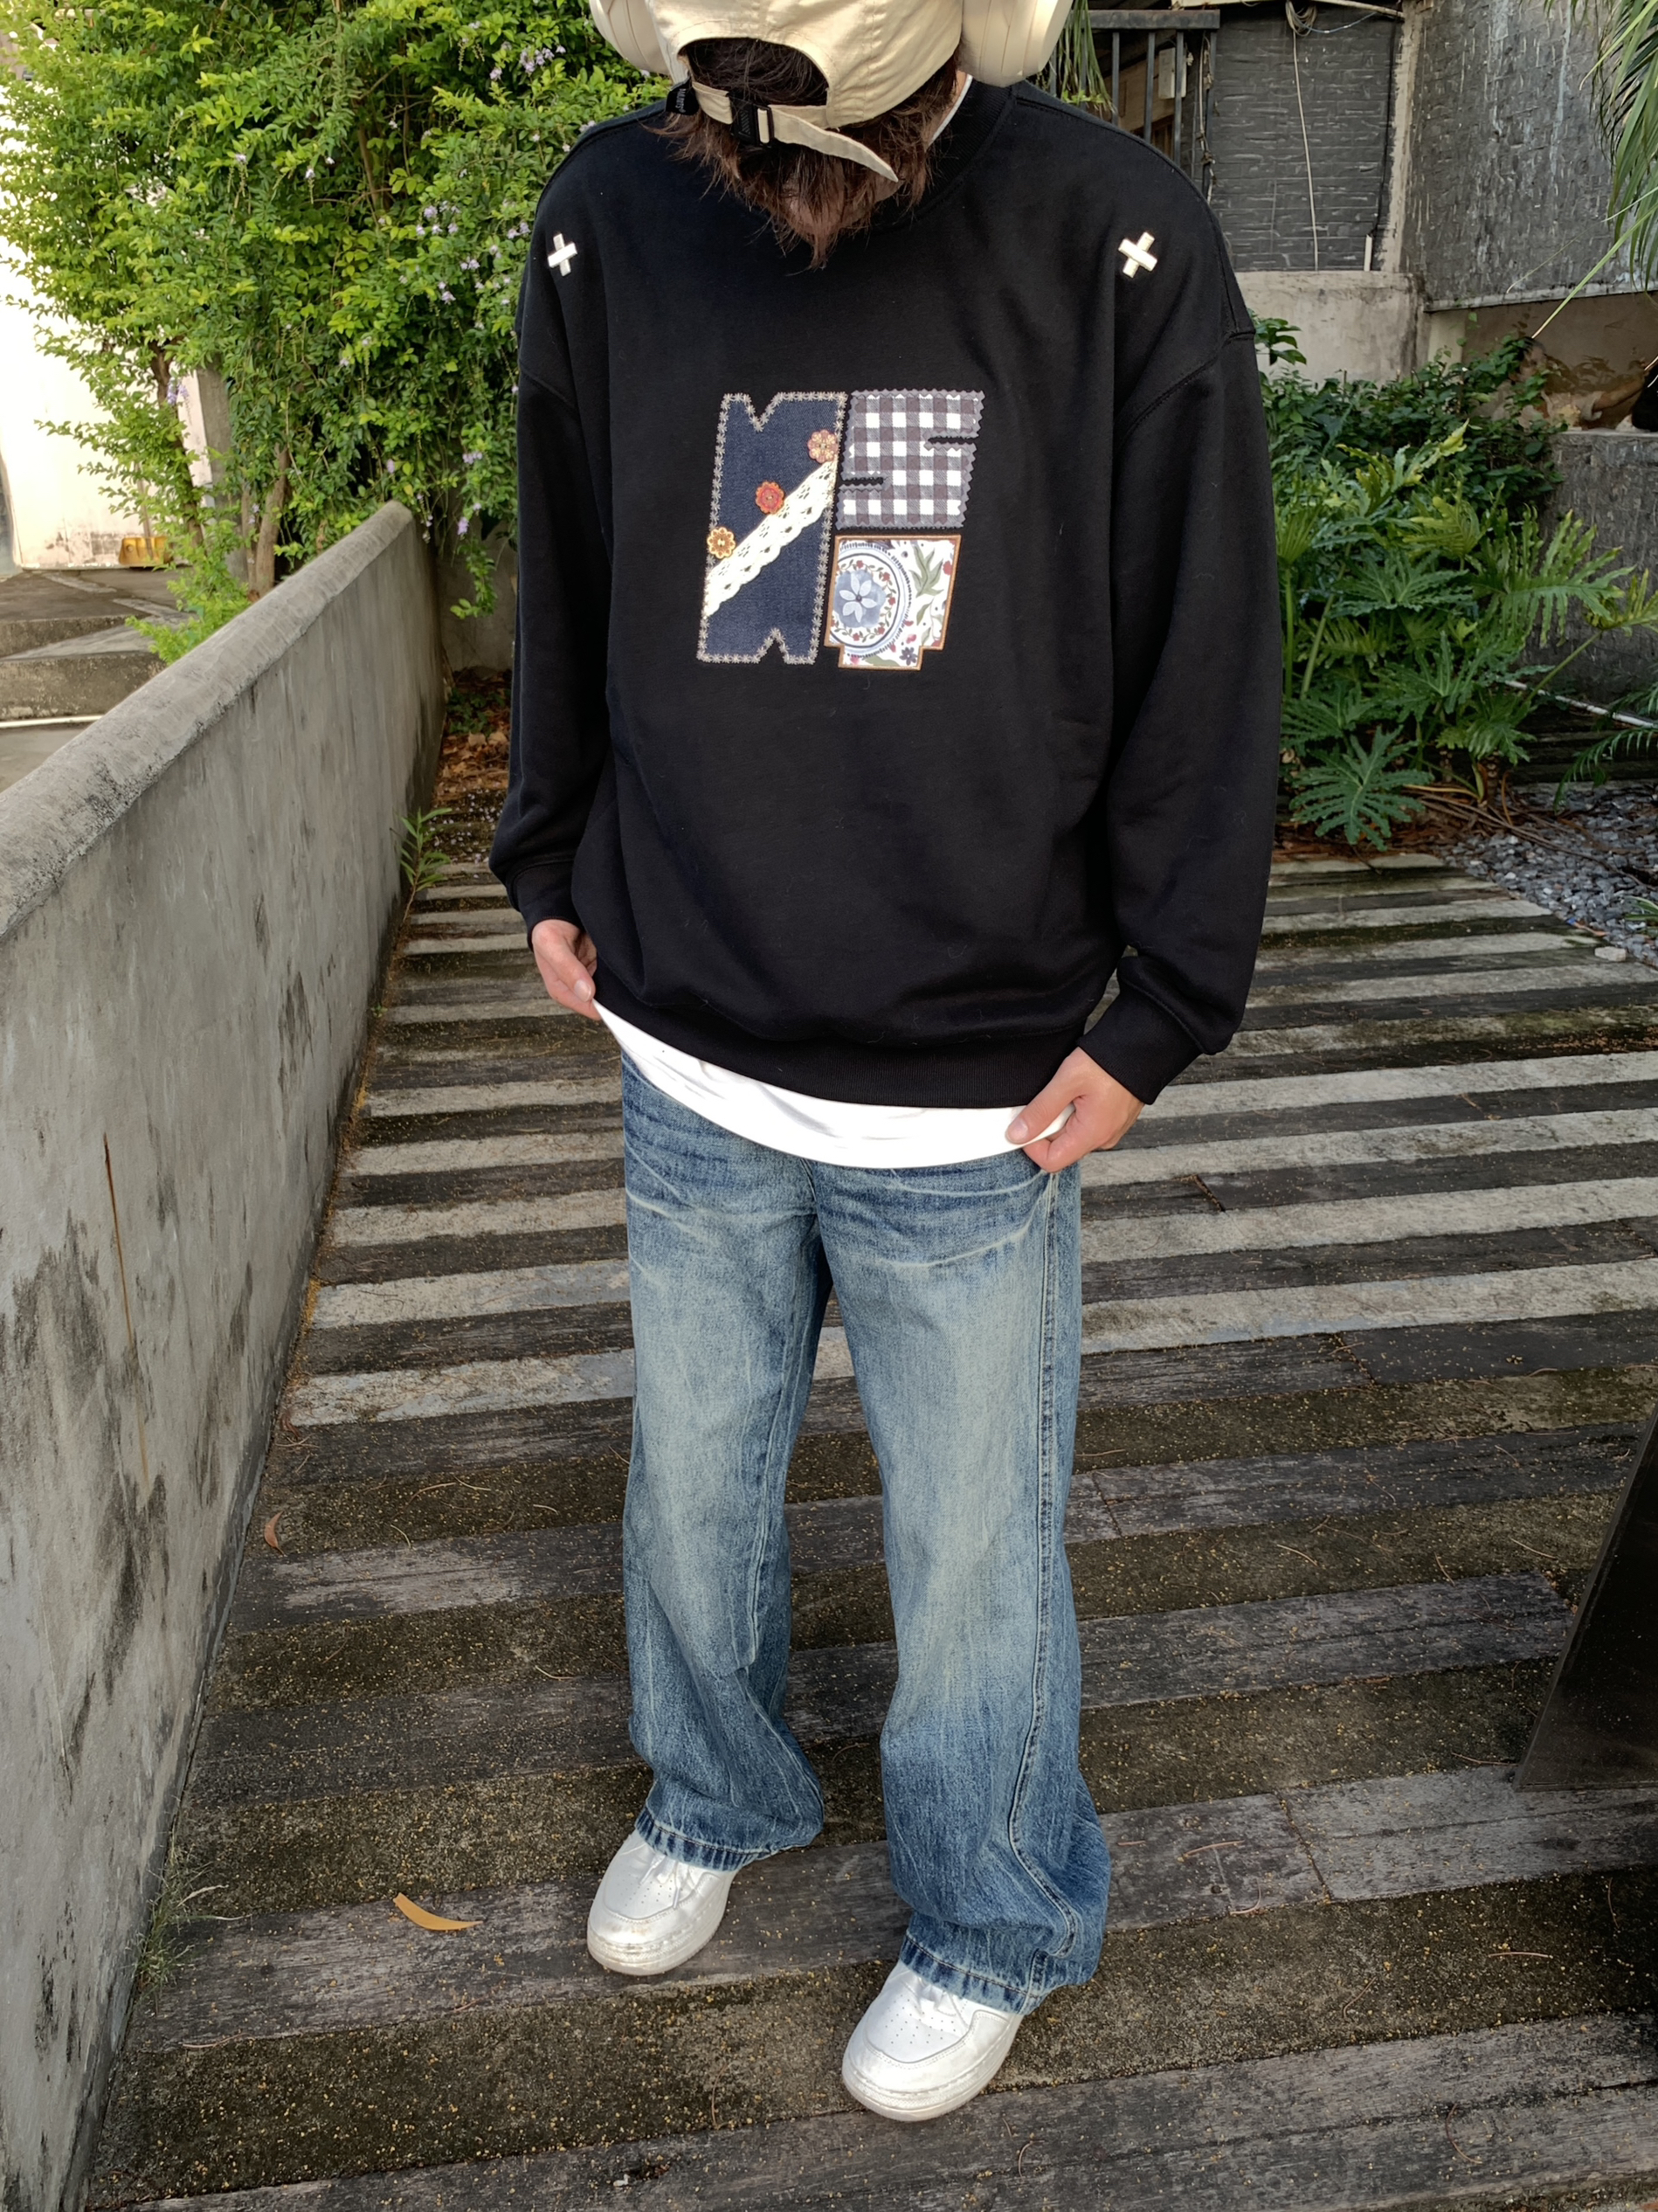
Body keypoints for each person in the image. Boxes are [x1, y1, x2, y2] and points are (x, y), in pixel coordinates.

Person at [490, 0, 1280, 2124]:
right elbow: (567, 545)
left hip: (978, 1074)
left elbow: (1206, 635)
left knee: (971, 1544)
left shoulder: (1111, 229)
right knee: (688, 1488)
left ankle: (995, 1911)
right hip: (689, 1034)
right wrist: (547, 849)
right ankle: (716, 1792)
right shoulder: (606, 215)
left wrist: (1164, 1001)